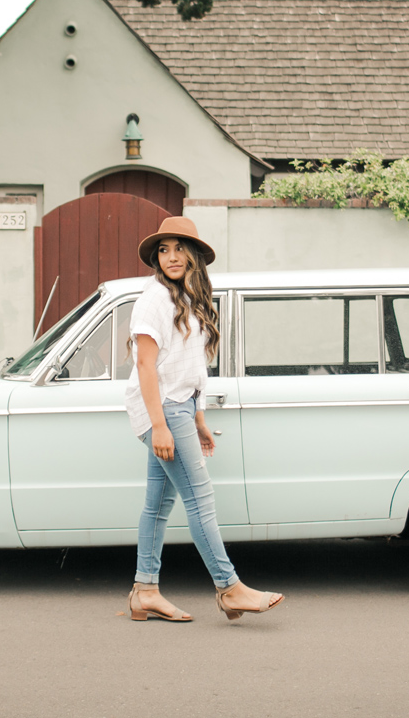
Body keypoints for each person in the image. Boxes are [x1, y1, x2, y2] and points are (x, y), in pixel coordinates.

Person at [124, 216, 284, 622]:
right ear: (156, 258)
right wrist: (160, 425)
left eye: (179, 248)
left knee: (158, 505)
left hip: (177, 407)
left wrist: (196, 417)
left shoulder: (187, 298)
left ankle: (145, 591)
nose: (171, 256)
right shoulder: (154, 299)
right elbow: (145, 366)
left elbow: (189, 366)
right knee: (200, 499)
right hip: (161, 409)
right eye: (163, 249)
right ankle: (229, 588)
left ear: (194, 255)